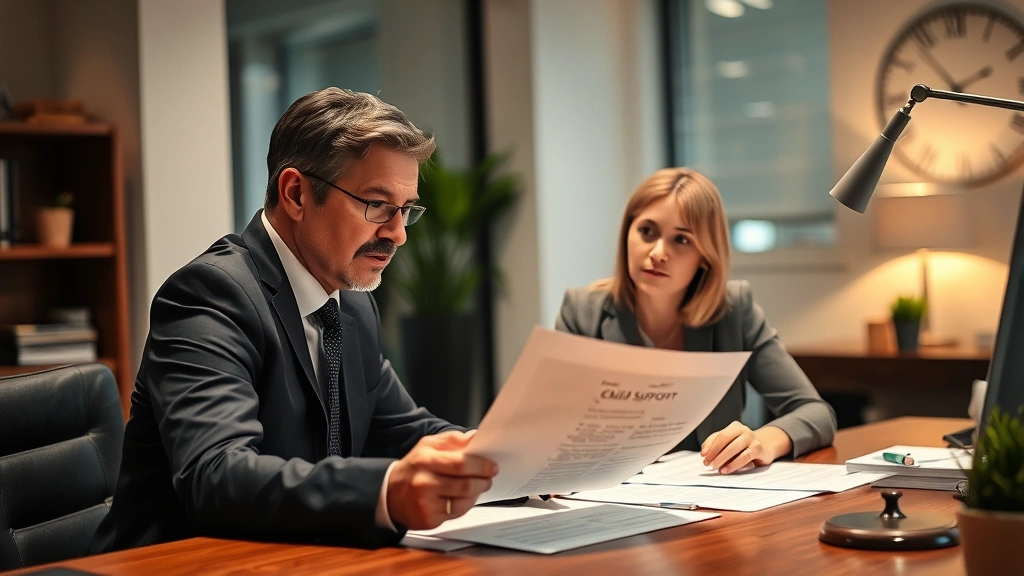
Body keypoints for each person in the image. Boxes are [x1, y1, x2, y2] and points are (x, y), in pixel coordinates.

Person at [90, 88, 498, 553]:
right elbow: (217, 475)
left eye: (406, 210)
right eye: (377, 204)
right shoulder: (210, 296)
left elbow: (406, 430)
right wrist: (386, 491)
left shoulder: (352, 304)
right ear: (296, 193)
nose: (398, 233)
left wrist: (509, 458)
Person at [555, 167, 836, 475]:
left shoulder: (734, 311)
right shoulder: (582, 311)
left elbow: (816, 413)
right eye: (647, 231)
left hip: (711, 505)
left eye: (681, 240)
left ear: (705, 255)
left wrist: (763, 441)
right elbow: (550, 428)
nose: (658, 253)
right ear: (627, 234)